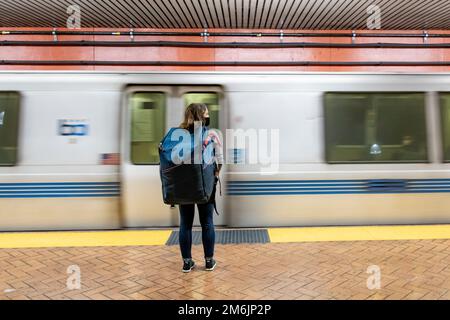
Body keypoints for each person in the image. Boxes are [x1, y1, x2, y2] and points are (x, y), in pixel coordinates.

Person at [178, 103, 223, 273]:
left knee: (185, 225)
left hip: (184, 187)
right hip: (205, 185)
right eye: (206, 112)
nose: (208, 114)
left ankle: (187, 263)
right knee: (207, 223)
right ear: (202, 116)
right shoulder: (212, 134)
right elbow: (220, 160)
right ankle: (209, 261)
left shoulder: (178, 134)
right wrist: (215, 175)